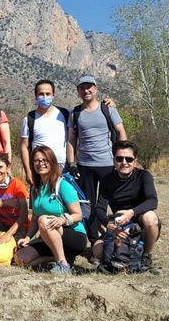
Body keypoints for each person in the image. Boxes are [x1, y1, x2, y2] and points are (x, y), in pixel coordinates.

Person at [68, 74, 127, 241]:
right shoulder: (75, 113)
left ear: (96, 88)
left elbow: (121, 131)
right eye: (82, 88)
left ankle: (121, 238)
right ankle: (95, 242)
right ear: (78, 91)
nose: (86, 90)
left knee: (113, 201)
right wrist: (71, 163)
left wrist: (121, 158)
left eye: (89, 87)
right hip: (85, 166)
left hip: (108, 164)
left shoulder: (108, 109)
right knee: (88, 205)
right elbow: (71, 140)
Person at [15, 146, 87, 275]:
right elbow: (35, 218)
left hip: (73, 235)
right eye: (36, 161)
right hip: (48, 236)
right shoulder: (35, 189)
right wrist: (27, 238)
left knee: (44, 220)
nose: (41, 163)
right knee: (20, 259)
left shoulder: (63, 185)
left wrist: (62, 220)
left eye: (45, 160)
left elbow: (78, 215)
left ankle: (63, 265)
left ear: (52, 162)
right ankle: (61, 258)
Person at [92, 141, 160, 270]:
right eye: (119, 159)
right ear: (114, 161)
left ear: (135, 161)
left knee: (150, 218)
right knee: (97, 250)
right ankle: (129, 255)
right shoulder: (107, 180)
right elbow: (100, 208)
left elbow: (153, 201)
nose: (124, 162)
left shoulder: (144, 176)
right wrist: (110, 225)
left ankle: (146, 255)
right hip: (121, 224)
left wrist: (131, 212)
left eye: (129, 159)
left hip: (142, 224)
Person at [20, 79, 71, 185]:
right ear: (35, 96)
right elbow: (24, 147)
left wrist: (107, 104)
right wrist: (28, 171)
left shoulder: (66, 114)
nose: (44, 97)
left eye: (48, 94)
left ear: (53, 95)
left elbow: (86, 114)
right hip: (40, 168)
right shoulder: (29, 119)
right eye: (41, 94)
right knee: (42, 200)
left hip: (63, 168)